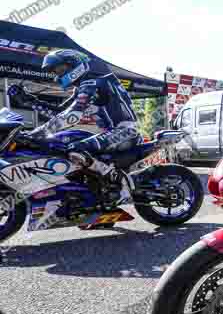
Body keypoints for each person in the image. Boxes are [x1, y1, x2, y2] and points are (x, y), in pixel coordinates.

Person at [24, 49, 141, 206]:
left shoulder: (94, 81)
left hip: (125, 130)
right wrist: (28, 101)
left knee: (76, 149)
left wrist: (36, 133)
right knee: (65, 148)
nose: (57, 75)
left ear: (74, 64)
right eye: (55, 72)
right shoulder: (84, 86)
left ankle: (121, 185)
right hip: (110, 133)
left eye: (59, 69)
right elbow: (59, 113)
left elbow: (72, 115)